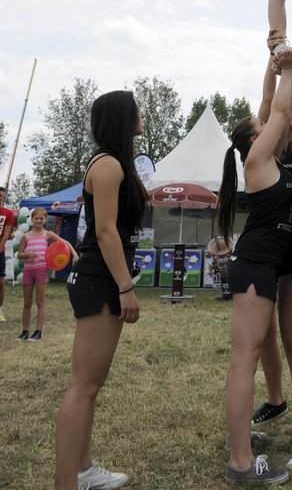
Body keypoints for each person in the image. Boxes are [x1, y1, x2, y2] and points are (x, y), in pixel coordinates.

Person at [54, 91, 147, 490]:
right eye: (136, 107)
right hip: (100, 278)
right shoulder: (108, 164)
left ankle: (83, 470)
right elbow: (106, 231)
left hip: (102, 276)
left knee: (89, 386)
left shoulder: (115, 163)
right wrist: (126, 287)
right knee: (83, 386)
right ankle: (66, 482)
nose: (142, 112)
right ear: (122, 117)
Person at [218, 46, 292, 485]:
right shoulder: (257, 160)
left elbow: (269, 104)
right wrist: (290, 65)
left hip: (261, 266)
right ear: (255, 139)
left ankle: (242, 435)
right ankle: (241, 463)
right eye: (261, 126)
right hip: (254, 266)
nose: (267, 123)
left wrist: (272, 62)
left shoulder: (265, 157)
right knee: (243, 361)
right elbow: (280, 110)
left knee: (251, 356)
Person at [16, 207, 78, 341]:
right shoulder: (26, 236)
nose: (38, 220)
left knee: (40, 302)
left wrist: (74, 254)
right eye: (36, 218)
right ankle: (25, 331)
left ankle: (38, 332)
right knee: (27, 302)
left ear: (45, 220)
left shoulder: (48, 234)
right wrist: (27, 254)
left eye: (41, 218)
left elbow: (64, 242)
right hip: (28, 271)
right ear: (32, 219)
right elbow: (19, 254)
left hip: (42, 270)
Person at [0, 186, 15, 322]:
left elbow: (7, 233)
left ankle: (0, 310)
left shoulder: (8, 213)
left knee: (0, 282)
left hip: (0, 251)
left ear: (4, 197)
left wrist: (0, 247)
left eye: (1, 195)